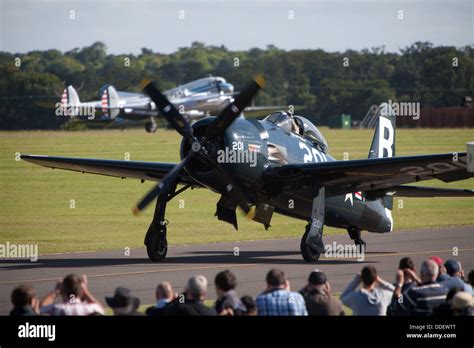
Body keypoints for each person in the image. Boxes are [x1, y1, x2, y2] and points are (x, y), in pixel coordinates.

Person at [40, 274, 104, 316]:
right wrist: (85, 290)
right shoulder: (92, 308)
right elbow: (100, 309)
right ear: (81, 292)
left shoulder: (57, 309)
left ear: (62, 291)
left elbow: (41, 308)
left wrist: (56, 291)